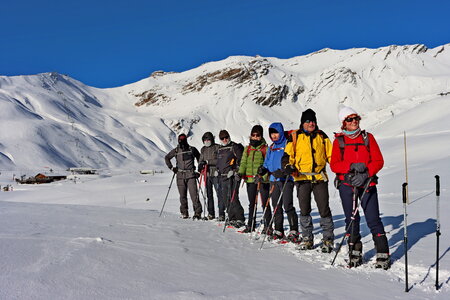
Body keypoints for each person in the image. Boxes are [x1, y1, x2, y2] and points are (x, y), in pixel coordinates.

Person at [330, 106, 390, 269]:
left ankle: (383, 253)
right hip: (347, 186)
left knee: (373, 219)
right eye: (350, 119)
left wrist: (366, 173)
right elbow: (334, 164)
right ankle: (354, 251)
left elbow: (378, 160)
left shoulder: (367, 138)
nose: (354, 121)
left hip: (367, 185)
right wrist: (349, 169)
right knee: (351, 219)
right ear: (344, 123)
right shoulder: (339, 141)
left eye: (356, 118)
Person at [284, 109, 334, 252]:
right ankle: (307, 238)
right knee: (304, 210)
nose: (311, 123)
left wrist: (340, 169)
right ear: (302, 123)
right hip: (302, 178)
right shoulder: (294, 137)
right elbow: (287, 156)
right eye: (308, 121)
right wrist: (287, 165)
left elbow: (331, 156)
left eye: (313, 121)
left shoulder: (322, 136)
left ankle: (328, 239)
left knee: (324, 209)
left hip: (319, 178)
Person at [258, 122, 298, 241]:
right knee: (276, 206)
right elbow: (267, 162)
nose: (274, 136)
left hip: (286, 179)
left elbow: (291, 160)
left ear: (280, 132)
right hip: (273, 179)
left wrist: (284, 171)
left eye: (276, 133)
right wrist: (263, 169)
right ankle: (279, 229)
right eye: (272, 134)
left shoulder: (287, 144)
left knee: (288, 205)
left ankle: (294, 230)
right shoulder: (271, 147)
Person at [238, 125, 271, 233]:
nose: (255, 137)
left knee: (264, 202)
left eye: (258, 135)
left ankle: (268, 226)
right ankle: (250, 224)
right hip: (250, 180)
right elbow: (243, 163)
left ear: (261, 136)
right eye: (253, 135)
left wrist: (263, 177)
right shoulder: (247, 149)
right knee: (252, 203)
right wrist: (240, 173)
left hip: (261, 180)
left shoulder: (265, 149)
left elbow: (268, 166)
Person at [164, 133, 203, 219]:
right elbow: (167, 157)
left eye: (183, 139)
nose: (182, 141)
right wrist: (171, 168)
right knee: (182, 196)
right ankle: (184, 213)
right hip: (180, 175)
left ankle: (197, 213)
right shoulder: (176, 150)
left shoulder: (192, 149)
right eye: (180, 140)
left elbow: (200, 158)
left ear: (186, 140)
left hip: (191, 175)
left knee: (194, 195)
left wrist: (199, 170)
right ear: (178, 140)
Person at [216, 130, 245, 227]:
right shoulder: (220, 149)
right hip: (223, 177)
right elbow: (219, 162)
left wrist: (235, 170)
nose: (225, 140)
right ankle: (232, 217)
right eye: (222, 138)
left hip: (233, 176)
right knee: (226, 198)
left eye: (226, 137)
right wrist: (217, 170)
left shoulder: (234, 147)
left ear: (229, 136)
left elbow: (241, 160)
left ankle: (240, 218)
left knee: (233, 197)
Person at [198, 132, 221, 220]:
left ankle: (222, 213)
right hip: (206, 174)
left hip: (215, 173)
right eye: (205, 140)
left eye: (208, 140)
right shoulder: (203, 149)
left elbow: (219, 160)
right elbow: (201, 160)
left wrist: (208, 162)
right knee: (209, 194)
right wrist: (200, 165)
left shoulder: (217, 147)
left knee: (219, 193)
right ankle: (211, 213)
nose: (207, 141)